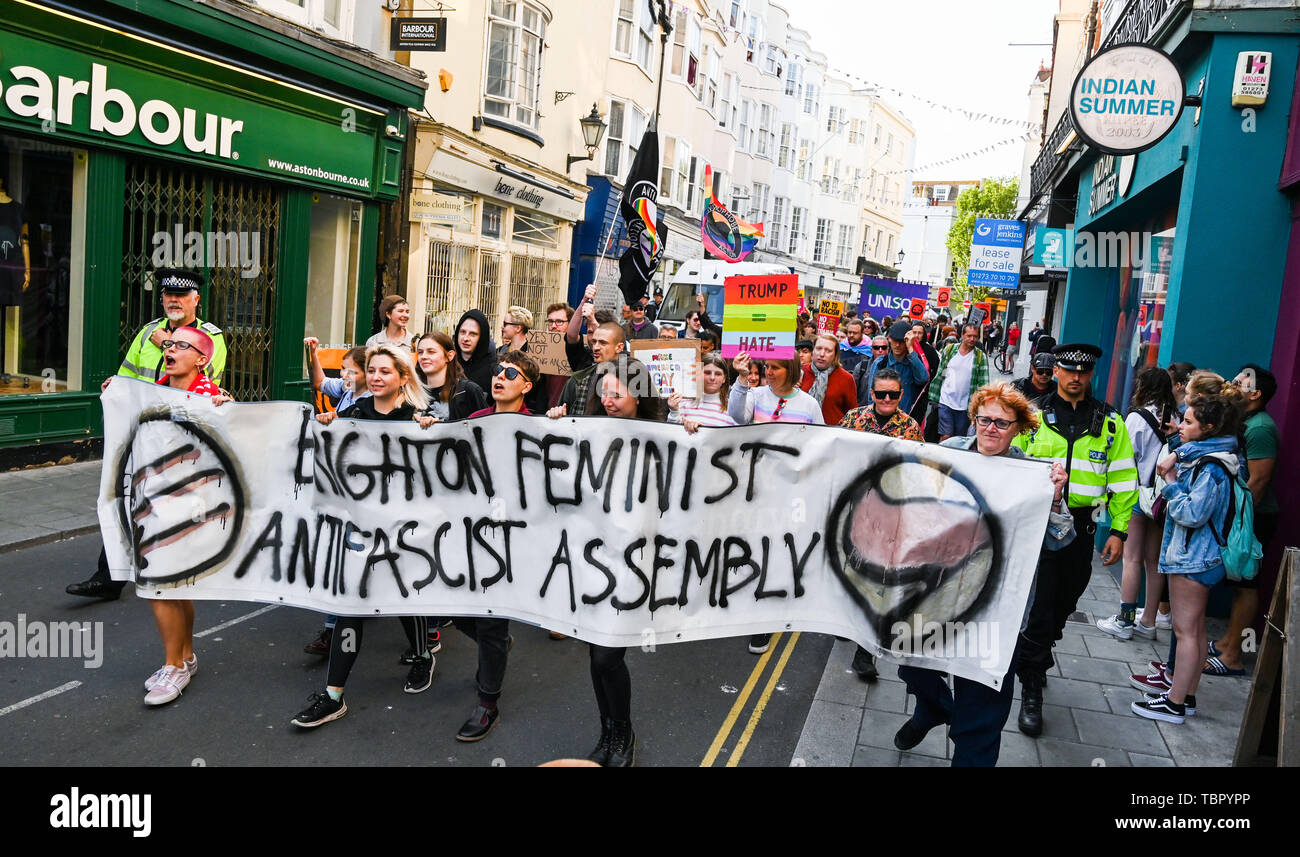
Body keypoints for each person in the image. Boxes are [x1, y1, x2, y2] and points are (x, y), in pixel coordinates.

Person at [893, 382, 1068, 765]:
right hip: (937, 594)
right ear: (973, 418)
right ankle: (933, 707)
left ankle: (968, 748)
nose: (991, 429)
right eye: (984, 419)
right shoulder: (949, 452)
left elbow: (1058, 541)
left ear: (1019, 428)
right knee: (912, 663)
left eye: (1003, 424)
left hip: (996, 610)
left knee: (981, 708)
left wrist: (1054, 499)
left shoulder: (1033, 474)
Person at [291, 344, 435, 729]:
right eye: (371, 370)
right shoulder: (352, 414)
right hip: (358, 528)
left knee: (403, 597)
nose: (375, 377)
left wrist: (429, 434)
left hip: (402, 527)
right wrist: (325, 430)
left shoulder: (416, 418)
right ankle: (334, 694)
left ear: (403, 378)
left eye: (385, 371)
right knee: (352, 604)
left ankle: (422, 656)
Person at [66, 268, 228, 601]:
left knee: (175, 506)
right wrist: (115, 387)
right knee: (127, 499)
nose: (174, 300)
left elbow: (204, 379)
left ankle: (183, 569)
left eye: (182, 296)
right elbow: (128, 374)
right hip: (145, 435)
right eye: (168, 295)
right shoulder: (147, 333)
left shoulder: (211, 337)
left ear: (196, 299)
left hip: (184, 442)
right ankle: (109, 577)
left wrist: (168, 344)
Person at [1010, 343, 1138, 737]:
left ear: (1090, 375)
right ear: (1058, 372)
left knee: (1067, 600)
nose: (1076, 378)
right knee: (1041, 605)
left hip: (1082, 527)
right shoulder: (1031, 416)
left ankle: (1042, 645)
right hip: (1038, 522)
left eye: (1083, 372)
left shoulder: (1111, 423)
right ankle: (1032, 684)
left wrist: (1119, 530)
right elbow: (1009, 463)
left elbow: (1124, 481)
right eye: (1069, 371)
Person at [548, 356, 664, 765]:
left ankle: (624, 735)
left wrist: (690, 431)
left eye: (619, 392)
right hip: (594, 561)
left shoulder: (663, 437)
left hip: (639, 564)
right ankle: (609, 732)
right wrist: (554, 426)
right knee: (597, 654)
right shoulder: (587, 432)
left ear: (640, 395)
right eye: (605, 393)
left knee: (606, 655)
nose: (610, 400)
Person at [1131, 383, 1247, 724]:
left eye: (1189, 422)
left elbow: (1192, 513)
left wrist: (1170, 482)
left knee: (1186, 631)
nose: (1180, 426)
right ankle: (1186, 695)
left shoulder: (1211, 467)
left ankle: (1175, 703)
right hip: (1198, 556)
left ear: (1208, 429)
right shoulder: (1215, 457)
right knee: (1194, 631)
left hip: (1194, 557)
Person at [136, 326, 233, 705]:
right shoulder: (156, 387)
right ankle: (185, 656)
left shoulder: (210, 398)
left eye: (182, 346)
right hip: (156, 499)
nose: (170, 348)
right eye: (169, 343)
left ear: (202, 360)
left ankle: (173, 667)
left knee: (158, 585)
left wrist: (226, 410)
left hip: (187, 505)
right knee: (174, 584)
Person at [728, 352, 823, 655]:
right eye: (767, 367)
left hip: (788, 492)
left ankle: (764, 622)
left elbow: (819, 445)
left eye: (775, 368)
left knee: (776, 551)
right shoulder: (754, 394)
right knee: (753, 549)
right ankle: (750, 606)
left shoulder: (808, 405)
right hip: (753, 489)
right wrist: (742, 379)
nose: (768, 372)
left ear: (791, 370)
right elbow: (737, 417)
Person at [837, 366, 922, 682]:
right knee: (853, 572)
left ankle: (866, 652)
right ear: (871, 394)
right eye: (881, 393)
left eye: (894, 394)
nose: (887, 399)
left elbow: (918, 473)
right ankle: (847, 622)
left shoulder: (910, 427)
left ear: (901, 395)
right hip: (855, 509)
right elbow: (835, 452)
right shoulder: (854, 420)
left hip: (890, 516)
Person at [1203, 365, 1279, 677]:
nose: (1238, 377)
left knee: (1246, 583)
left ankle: (1235, 654)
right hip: (1241, 516)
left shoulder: (1260, 428)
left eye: (1245, 377)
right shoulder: (1244, 420)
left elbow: (1259, 481)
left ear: (1256, 393)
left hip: (1253, 518)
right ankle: (1228, 641)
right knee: (1237, 583)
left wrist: (1240, 525)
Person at [1097, 368, 1179, 641]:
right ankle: (1149, 621)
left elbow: (1124, 457)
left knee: (1131, 558)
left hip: (1136, 495)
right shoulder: (1175, 417)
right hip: (1162, 499)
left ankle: (1125, 621)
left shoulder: (1136, 417)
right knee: (1153, 562)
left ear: (1143, 386)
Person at [551, 321, 627, 419]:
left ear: (619, 347)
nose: (595, 347)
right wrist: (557, 414)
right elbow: (562, 412)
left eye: (603, 343)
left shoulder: (631, 379)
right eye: (594, 342)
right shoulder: (578, 380)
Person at [928, 323, 989, 441]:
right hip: (945, 401)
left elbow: (984, 384)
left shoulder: (980, 356)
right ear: (962, 335)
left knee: (959, 438)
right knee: (945, 436)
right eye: (969, 336)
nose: (972, 339)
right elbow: (941, 373)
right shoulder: (950, 350)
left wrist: (981, 405)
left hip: (965, 405)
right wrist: (936, 398)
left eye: (975, 336)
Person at [856, 320, 929, 416]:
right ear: (889, 339)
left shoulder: (913, 363)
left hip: (904, 419)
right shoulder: (880, 363)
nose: (898, 345)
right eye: (895, 341)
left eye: (902, 342)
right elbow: (871, 395)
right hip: (880, 417)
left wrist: (911, 349)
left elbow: (923, 379)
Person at [414, 331, 487, 423]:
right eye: (420, 352)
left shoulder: (468, 391)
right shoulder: (413, 392)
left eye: (431, 352)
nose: (423, 356)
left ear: (449, 356)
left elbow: (486, 427)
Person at [799, 333, 858, 425]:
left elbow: (852, 414)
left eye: (828, 351)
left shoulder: (846, 378)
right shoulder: (800, 372)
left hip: (832, 434)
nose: (822, 354)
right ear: (813, 350)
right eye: (818, 349)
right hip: (801, 430)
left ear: (835, 355)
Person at [668, 353, 736, 429]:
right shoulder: (683, 402)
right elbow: (672, 431)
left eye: (718, 374)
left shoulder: (733, 408)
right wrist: (674, 412)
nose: (712, 377)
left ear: (724, 378)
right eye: (707, 373)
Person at [469, 351, 539, 417]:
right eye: (498, 369)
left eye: (511, 373)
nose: (500, 375)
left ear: (526, 387)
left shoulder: (533, 426)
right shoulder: (475, 419)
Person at [454, 308, 497, 392]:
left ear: (482, 337)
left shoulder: (493, 370)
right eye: (462, 332)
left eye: (473, 334)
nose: (466, 338)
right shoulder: (448, 362)